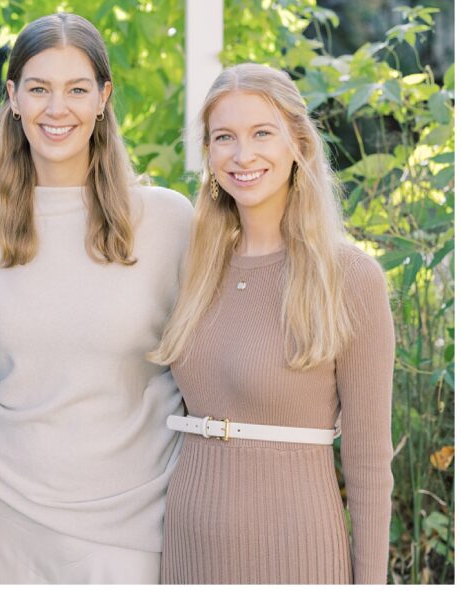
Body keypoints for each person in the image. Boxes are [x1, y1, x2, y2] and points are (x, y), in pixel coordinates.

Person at [0, 12, 193, 583]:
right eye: (39, 88)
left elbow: (203, 367)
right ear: (13, 97)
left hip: (134, 517)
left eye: (77, 89)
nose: (56, 108)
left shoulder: (167, 220)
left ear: (103, 98)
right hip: (1, 511)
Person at [151, 63, 394, 584]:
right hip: (189, 551)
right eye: (224, 137)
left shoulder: (350, 277)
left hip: (295, 550)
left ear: (298, 143)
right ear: (208, 151)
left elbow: (370, 463)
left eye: (262, 132)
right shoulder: (195, 268)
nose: (243, 155)